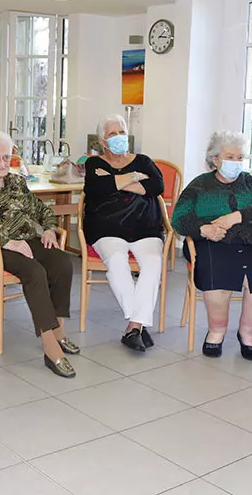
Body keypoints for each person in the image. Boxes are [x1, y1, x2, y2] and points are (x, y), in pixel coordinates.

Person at [0, 132, 79, 378]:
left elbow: (41, 209)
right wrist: (7, 242)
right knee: (34, 271)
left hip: (21, 240)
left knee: (62, 261)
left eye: (7, 157)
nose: (3, 163)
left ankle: (59, 330)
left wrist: (47, 228)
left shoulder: (15, 182)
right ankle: (50, 346)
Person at [171, 131, 252, 360]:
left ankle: (247, 333)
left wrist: (236, 216)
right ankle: (216, 331)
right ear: (215, 159)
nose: (236, 162)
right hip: (210, 241)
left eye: (240, 157)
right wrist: (203, 229)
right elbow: (178, 218)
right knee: (219, 270)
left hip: (250, 239)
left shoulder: (250, 181)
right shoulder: (199, 185)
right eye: (230, 156)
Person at [84, 114, 165, 351]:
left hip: (145, 227)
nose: (118, 137)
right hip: (107, 228)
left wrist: (115, 181)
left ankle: (134, 326)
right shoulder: (94, 164)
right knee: (117, 260)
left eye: (121, 132)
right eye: (112, 134)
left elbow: (157, 186)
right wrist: (133, 178)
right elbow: (95, 188)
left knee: (152, 263)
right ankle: (138, 323)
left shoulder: (143, 160)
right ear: (102, 141)